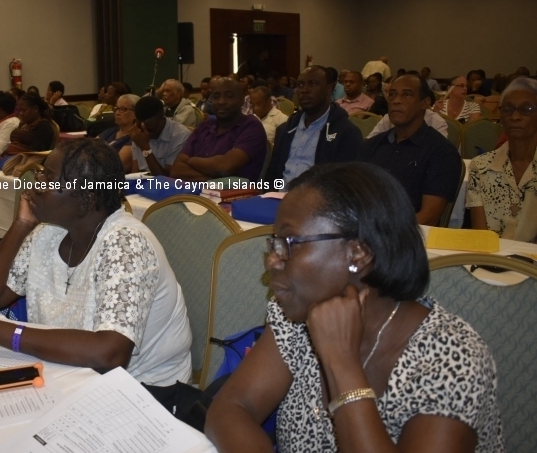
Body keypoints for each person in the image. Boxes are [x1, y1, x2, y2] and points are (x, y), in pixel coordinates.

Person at [205, 162, 503, 453]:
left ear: (358, 253)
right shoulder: (295, 318)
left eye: (289, 243)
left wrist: (341, 363)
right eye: (274, 244)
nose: (271, 261)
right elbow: (231, 409)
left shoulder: (453, 359)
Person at [0, 138, 193, 386]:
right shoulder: (49, 231)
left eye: (48, 179)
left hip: (142, 388)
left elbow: (110, 354)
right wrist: (21, 225)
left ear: (86, 199)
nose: (36, 186)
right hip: (68, 371)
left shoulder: (127, 243)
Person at [360, 74, 462, 225]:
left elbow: (428, 217)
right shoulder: (372, 145)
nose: (396, 101)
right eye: (392, 94)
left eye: (407, 94)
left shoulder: (442, 152)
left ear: (425, 103)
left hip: (408, 234)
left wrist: (380, 232)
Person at [266, 66, 363, 190]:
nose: (304, 90)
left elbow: (344, 185)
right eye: (300, 85)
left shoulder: (347, 133)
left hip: (318, 200)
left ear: (329, 89)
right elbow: (272, 174)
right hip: (278, 197)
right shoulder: (285, 129)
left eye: (313, 84)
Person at [467, 77, 537, 241]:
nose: (515, 116)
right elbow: (482, 238)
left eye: (526, 109)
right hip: (492, 255)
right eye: (507, 109)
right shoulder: (481, 167)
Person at [171, 78, 267, 181]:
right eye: (216, 97)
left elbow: (224, 168)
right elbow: (176, 170)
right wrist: (211, 178)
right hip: (195, 190)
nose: (221, 102)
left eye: (229, 96)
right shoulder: (204, 127)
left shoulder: (251, 126)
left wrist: (191, 160)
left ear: (242, 100)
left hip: (234, 191)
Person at [129, 96, 191, 176]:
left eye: (150, 129)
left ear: (162, 118)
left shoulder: (181, 135)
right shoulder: (138, 133)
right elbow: (135, 173)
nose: (145, 133)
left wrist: (145, 148)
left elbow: (168, 179)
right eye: (140, 128)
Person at [97, 94, 139, 172]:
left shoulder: (135, 137)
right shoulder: (110, 131)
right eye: (116, 109)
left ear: (136, 113)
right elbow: (89, 149)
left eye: (123, 109)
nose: (117, 113)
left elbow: (117, 165)